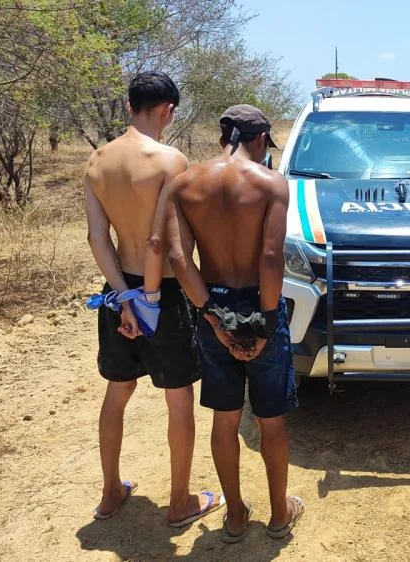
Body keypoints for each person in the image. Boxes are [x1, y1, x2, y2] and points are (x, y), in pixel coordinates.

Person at [144, 104, 304, 544]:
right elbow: (270, 259)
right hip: (262, 299)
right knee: (271, 422)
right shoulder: (271, 184)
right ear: (258, 140)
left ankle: (234, 516)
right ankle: (278, 513)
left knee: (225, 419)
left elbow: (178, 258)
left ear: (223, 138)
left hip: (212, 302)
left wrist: (213, 319)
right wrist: (268, 322)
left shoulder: (184, 184)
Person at [83, 71, 223, 525]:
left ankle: (109, 493)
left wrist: (124, 299)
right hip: (158, 291)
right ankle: (180, 501)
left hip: (117, 290)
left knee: (117, 392)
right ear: (168, 110)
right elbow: (163, 243)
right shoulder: (169, 160)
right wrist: (147, 299)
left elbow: (96, 238)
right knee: (178, 396)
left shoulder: (97, 161)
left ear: (129, 106)